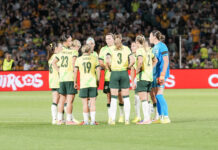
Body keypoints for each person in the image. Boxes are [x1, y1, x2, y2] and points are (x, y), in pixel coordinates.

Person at [106, 34, 135, 125]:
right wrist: (128, 67)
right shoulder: (126, 49)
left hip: (114, 73)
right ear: (121, 39)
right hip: (124, 73)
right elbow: (133, 60)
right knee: (126, 97)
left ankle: (113, 119)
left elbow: (107, 61)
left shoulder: (110, 49)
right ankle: (127, 119)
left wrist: (109, 68)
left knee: (114, 97)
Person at [52, 35, 81, 125]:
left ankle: (59, 120)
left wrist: (59, 71)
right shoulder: (74, 52)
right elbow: (73, 64)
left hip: (62, 79)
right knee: (69, 100)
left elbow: (53, 63)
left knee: (61, 100)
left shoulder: (61, 52)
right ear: (65, 42)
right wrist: (75, 78)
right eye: (70, 41)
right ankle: (69, 120)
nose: (71, 42)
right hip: (70, 78)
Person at [99, 33, 125, 124]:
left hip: (118, 75)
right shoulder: (103, 49)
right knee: (109, 96)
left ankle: (121, 114)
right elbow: (100, 62)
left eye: (109, 38)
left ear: (114, 39)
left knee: (120, 95)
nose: (107, 40)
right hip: (108, 77)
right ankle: (110, 116)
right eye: (106, 39)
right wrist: (107, 67)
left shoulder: (118, 47)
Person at [133, 35, 158, 125]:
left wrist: (138, 69)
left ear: (137, 42)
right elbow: (155, 60)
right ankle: (148, 118)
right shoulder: (148, 50)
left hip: (142, 77)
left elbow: (139, 62)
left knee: (142, 98)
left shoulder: (139, 50)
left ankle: (146, 119)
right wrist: (150, 68)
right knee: (147, 98)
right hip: (149, 77)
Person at [74, 44, 101, 125]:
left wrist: (74, 82)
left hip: (83, 84)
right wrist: (98, 80)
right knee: (92, 103)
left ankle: (86, 121)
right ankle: (93, 121)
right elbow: (98, 70)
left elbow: (75, 71)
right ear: (89, 51)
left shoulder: (78, 59)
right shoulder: (94, 58)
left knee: (85, 103)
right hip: (92, 82)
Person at [149, 30, 171, 124]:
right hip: (155, 74)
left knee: (159, 95)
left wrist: (162, 74)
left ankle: (166, 117)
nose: (149, 38)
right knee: (156, 96)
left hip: (161, 75)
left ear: (154, 36)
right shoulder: (153, 48)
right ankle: (160, 116)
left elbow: (166, 61)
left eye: (150, 36)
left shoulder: (162, 46)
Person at [47, 42, 62, 124]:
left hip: (52, 80)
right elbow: (60, 66)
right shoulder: (56, 57)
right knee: (61, 100)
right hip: (58, 80)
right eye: (60, 47)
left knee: (55, 100)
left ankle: (54, 119)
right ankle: (60, 118)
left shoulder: (50, 57)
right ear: (55, 49)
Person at [130, 42, 141, 123]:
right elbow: (132, 69)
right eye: (131, 46)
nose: (132, 47)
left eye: (133, 46)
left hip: (142, 78)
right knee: (137, 97)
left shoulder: (140, 55)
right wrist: (132, 81)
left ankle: (142, 116)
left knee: (144, 97)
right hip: (137, 79)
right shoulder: (132, 56)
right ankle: (138, 116)